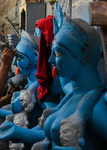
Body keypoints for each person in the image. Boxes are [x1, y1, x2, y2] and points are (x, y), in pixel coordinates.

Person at [41, 16, 107, 149]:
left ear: (83, 53)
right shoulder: (72, 94)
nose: (50, 60)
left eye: (58, 53)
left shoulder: (96, 104)